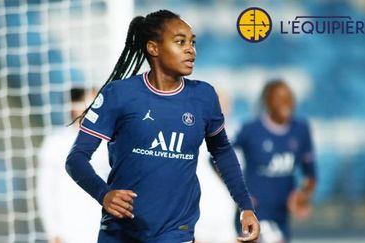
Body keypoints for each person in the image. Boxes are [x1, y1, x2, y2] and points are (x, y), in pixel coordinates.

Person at [65, 9, 260, 243]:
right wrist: (103, 195)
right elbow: (76, 158)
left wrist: (245, 206)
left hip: (176, 233)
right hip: (120, 233)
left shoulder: (204, 96)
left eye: (192, 42)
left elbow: (222, 152)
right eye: (180, 42)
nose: (190, 49)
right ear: (153, 48)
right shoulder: (119, 94)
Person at [233, 80, 317, 243]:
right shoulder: (250, 130)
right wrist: (239, 195)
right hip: (255, 212)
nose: (286, 102)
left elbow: (310, 175)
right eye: (279, 97)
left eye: (289, 97)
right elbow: (218, 160)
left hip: (282, 213)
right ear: (267, 101)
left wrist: (303, 195)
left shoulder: (301, 130)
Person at [37, 88, 110, 243]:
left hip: (101, 228)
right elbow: (45, 189)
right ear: (73, 106)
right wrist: (53, 231)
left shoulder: (108, 142)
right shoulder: (56, 142)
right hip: (68, 230)